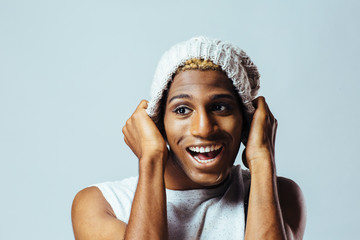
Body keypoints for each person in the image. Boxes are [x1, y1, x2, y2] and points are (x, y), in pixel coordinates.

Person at [71, 36, 306, 240]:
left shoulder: (280, 195)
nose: (203, 129)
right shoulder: (102, 204)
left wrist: (262, 159)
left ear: (247, 121)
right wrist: (151, 159)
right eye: (182, 110)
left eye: (220, 107)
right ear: (158, 122)